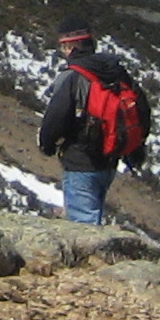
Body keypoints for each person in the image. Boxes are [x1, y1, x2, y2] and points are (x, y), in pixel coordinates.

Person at [38, 18, 148, 225]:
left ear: (70, 46)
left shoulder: (73, 76)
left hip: (80, 160)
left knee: (83, 223)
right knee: (93, 212)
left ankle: (94, 256)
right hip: (109, 158)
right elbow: (142, 110)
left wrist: (47, 144)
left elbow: (56, 117)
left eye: (63, 46)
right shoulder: (116, 72)